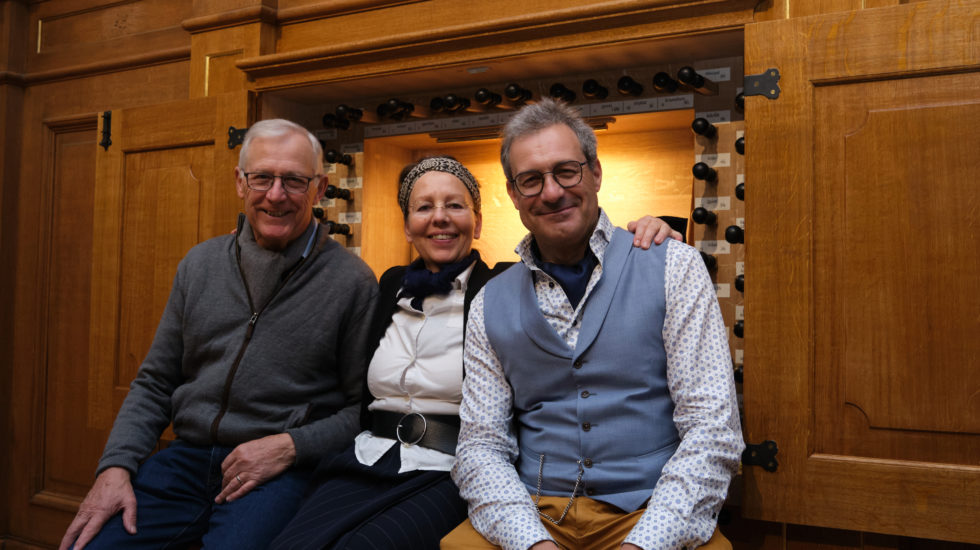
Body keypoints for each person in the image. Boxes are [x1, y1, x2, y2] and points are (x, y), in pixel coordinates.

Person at [268, 156, 681, 550]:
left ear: (478, 222)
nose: (440, 217)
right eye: (423, 207)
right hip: (364, 459)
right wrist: (270, 244)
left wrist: (653, 229)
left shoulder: (507, 286)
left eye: (455, 205)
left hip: (449, 473)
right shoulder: (389, 284)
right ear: (408, 228)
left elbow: (582, 259)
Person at [59, 119, 379, 550]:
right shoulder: (200, 263)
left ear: (321, 189)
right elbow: (155, 382)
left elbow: (365, 411)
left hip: (277, 473)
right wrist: (114, 468)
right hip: (185, 460)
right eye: (262, 177)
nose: (276, 194)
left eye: (294, 181)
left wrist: (289, 446)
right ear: (240, 183)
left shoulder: (353, 282)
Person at [443, 99, 744, 550]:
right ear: (513, 193)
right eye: (531, 180)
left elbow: (712, 428)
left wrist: (644, 543)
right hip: (536, 513)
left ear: (596, 173)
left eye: (567, 171)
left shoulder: (673, 267)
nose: (551, 192)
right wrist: (531, 543)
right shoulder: (489, 302)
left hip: (651, 511)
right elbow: (481, 446)